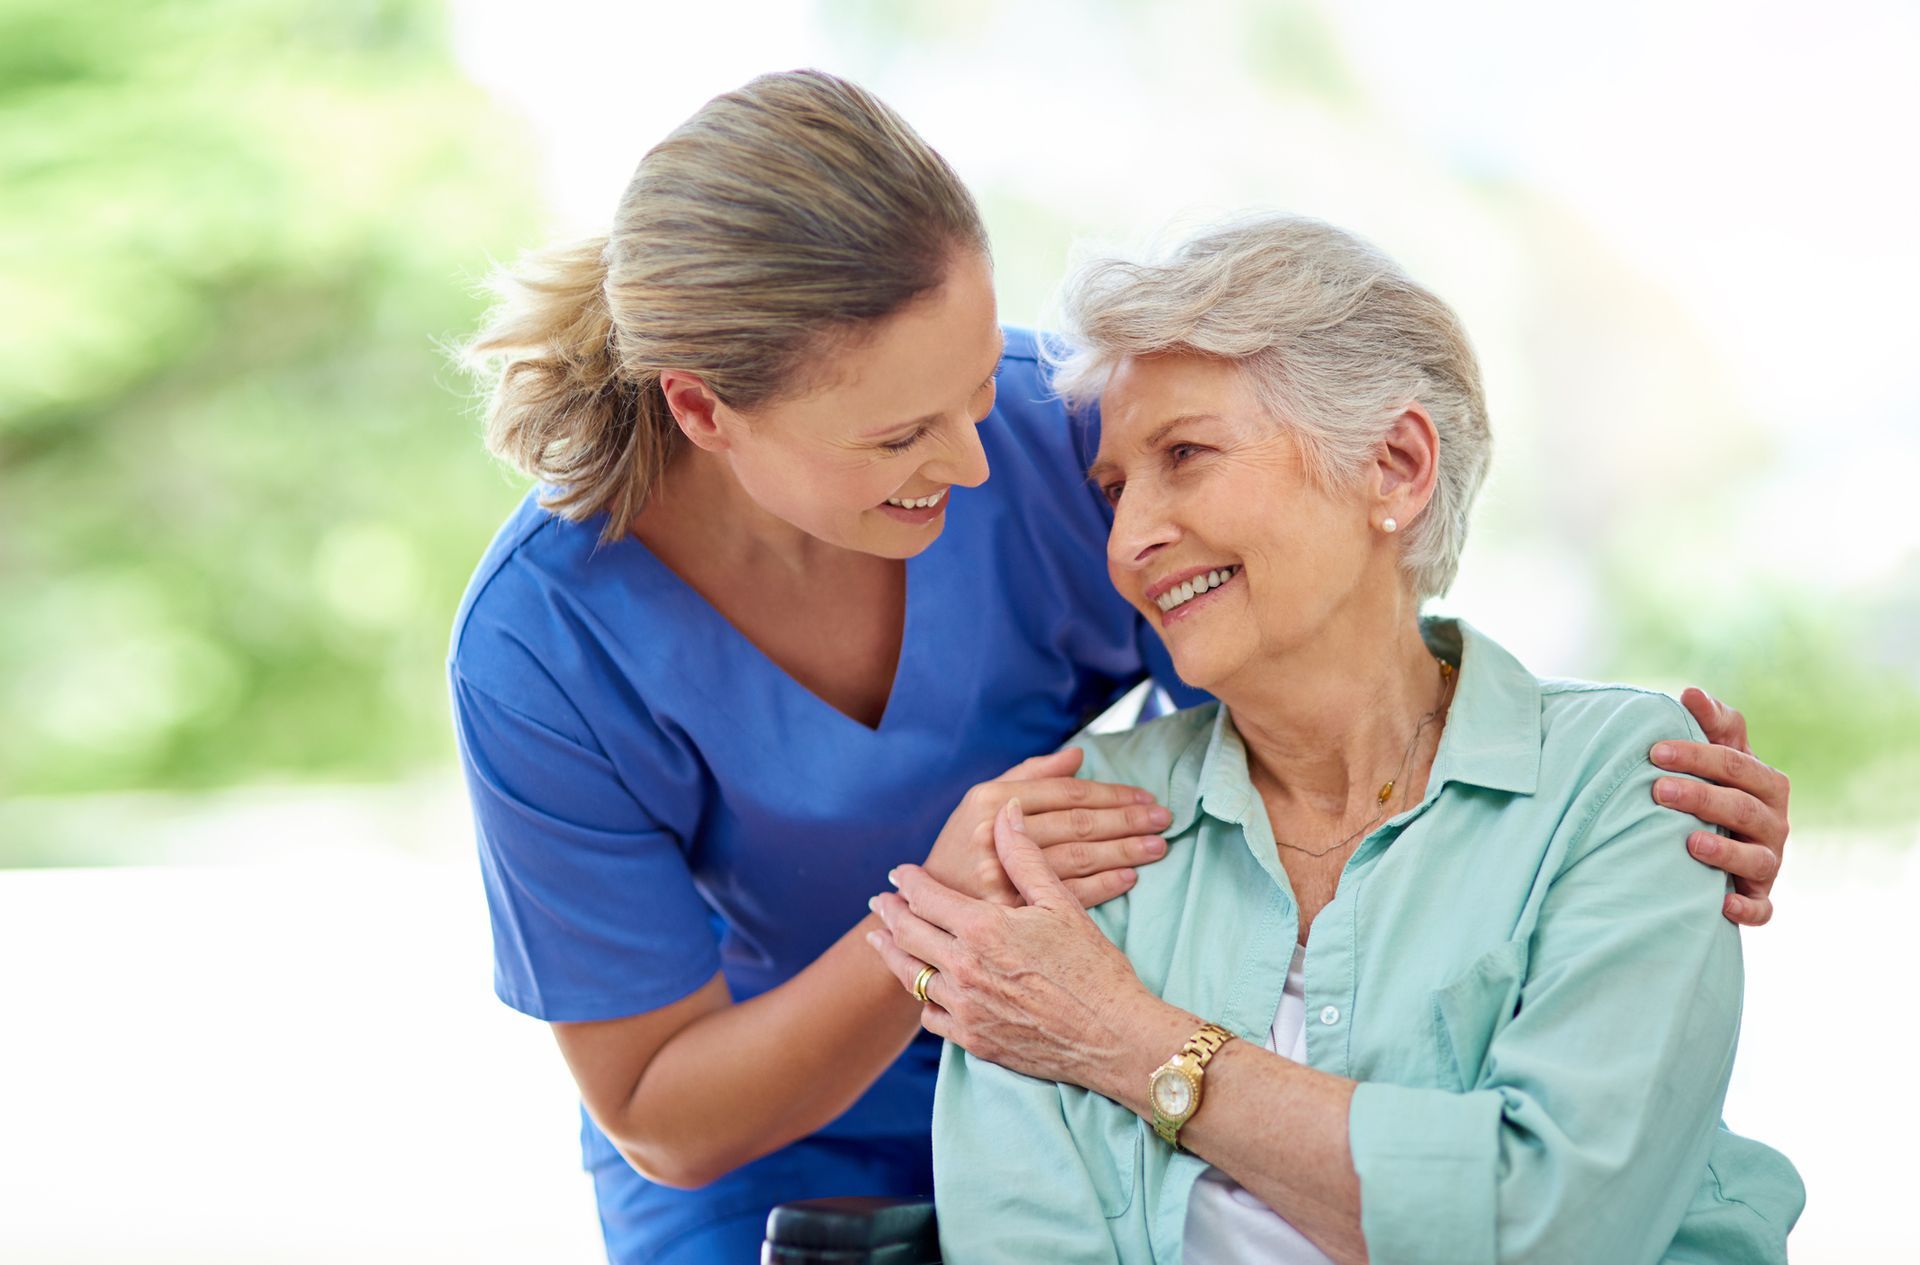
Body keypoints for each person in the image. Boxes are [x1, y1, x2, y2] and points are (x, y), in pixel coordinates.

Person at [450, 73, 1793, 1264]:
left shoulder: (1062, 442)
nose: (981, 464)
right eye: (905, 434)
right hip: (777, 1144)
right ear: (701, 409)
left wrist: (1613, 796)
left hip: (1124, 1067)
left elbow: (1331, 650)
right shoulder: (543, 645)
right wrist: (954, 921)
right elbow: (664, 1113)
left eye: (981, 386)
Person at [871, 215, 1804, 1264]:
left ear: (1396, 465)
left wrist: (1129, 1039)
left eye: (1186, 454)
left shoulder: (1625, 785)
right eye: (1117, 489)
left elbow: (1551, 1225)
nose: (1129, 542)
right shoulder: (1076, 827)